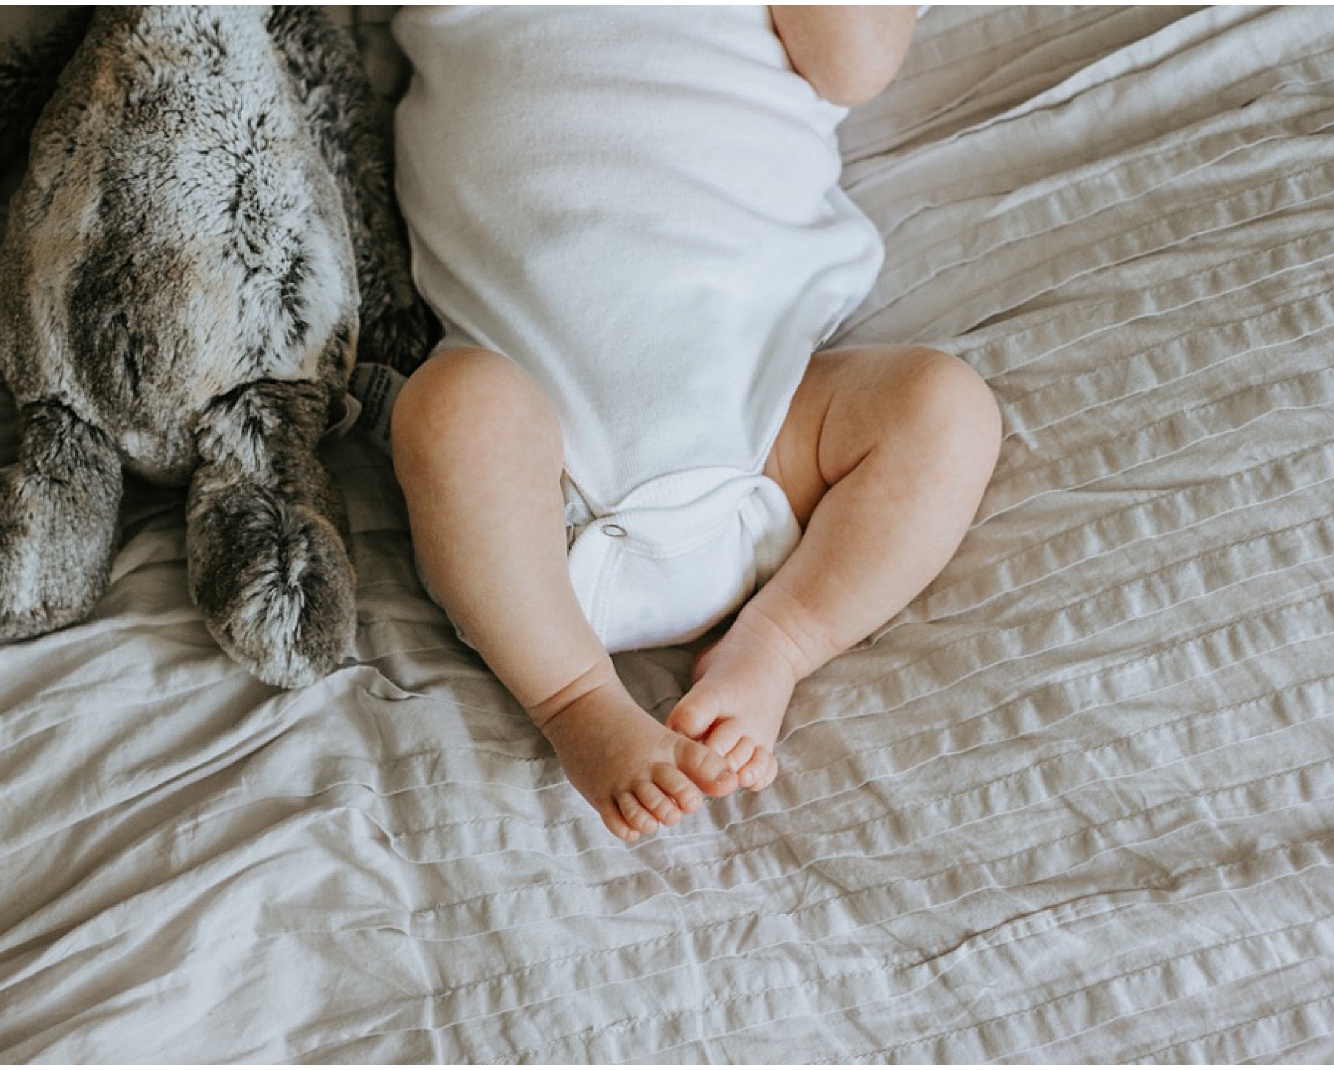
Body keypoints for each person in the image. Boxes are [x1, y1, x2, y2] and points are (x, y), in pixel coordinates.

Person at [387, 6, 1001, 841]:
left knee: (945, 409)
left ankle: (778, 642)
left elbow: (855, 64)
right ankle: (576, 699)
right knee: (449, 410)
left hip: (770, 427)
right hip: (540, 475)